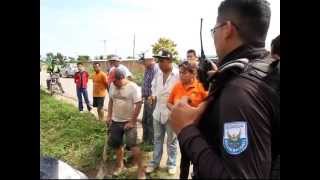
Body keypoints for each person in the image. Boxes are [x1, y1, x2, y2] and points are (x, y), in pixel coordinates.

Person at [169, 0, 280, 178]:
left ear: (227, 29)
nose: (213, 37)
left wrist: (185, 130)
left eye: (214, 30)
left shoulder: (240, 91)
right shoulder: (265, 68)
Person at [167, 61, 208, 179]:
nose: (180, 75)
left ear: (192, 73)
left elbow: (208, 103)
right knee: (184, 159)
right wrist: (175, 109)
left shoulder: (200, 87)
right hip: (183, 130)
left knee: (198, 157)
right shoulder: (177, 86)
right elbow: (168, 103)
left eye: (184, 73)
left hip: (198, 130)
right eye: (180, 72)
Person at [106, 68, 145, 179]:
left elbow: (138, 104)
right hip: (115, 121)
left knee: (133, 146)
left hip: (128, 122)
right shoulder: (113, 86)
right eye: (112, 81)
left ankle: (141, 171)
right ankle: (120, 165)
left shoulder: (133, 87)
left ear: (122, 78)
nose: (113, 83)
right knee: (117, 145)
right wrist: (109, 116)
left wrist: (132, 121)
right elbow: (111, 101)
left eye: (115, 81)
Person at [146, 50, 180, 175]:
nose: (159, 63)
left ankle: (171, 163)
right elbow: (153, 86)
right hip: (158, 112)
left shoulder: (178, 74)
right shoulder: (158, 73)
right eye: (158, 61)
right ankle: (154, 163)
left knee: (171, 141)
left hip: (171, 113)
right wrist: (153, 96)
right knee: (157, 139)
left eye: (161, 61)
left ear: (169, 61)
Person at [140, 51, 159, 145]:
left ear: (151, 60)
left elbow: (155, 86)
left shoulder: (155, 69)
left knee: (151, 121)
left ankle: (151, 142)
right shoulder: (147, 68)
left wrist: (150, 98)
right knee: (144, 120)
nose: (143, 63)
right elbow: (145, 83)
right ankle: (145, 139)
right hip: (146, 98)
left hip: (152, 99)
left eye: (145, 61)